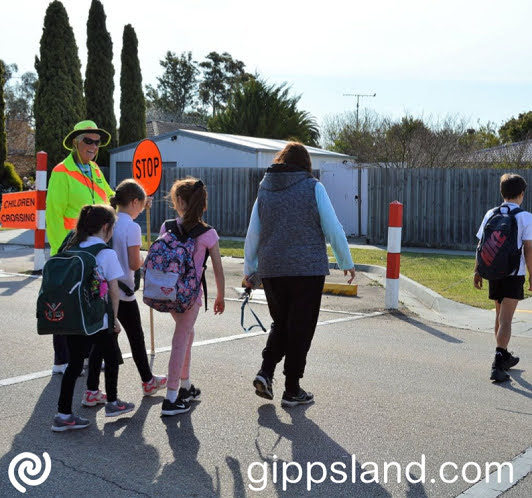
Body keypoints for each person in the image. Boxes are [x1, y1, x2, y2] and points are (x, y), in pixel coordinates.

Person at [244, 142, 356, 407]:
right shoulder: (313, 187)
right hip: (307, 270)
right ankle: (292, 389)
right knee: (300, 330)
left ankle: (266, 371)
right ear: (305, 164)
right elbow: (333, 227)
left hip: (273, 270)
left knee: (281, 325)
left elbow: (253, 232)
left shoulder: (264, 189)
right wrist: (345, 261)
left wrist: (250, 270)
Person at [52, 205, 135, 432]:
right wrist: (115, 319)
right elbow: (114, 291)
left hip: (74, 318)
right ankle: (113, 403)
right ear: (106, 227)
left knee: (75, 365)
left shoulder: (72, 246)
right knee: (112, 359)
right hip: (99, 319)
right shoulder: (106, 253)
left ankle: (63, 414)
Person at [46, 120, 113, 375]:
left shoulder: (95, 169)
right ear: (75, 142)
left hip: (92, 251)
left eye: (97, 142)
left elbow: (109, 197)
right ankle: (61, 360)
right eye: (88, 141)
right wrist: (61, 253)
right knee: (64, 305)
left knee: (88, 302)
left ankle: (84, 356)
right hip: (70, 250)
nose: (93, 146)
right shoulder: (61, 171)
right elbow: (54, 214)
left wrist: (134, 200)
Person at [160, 178, 226, 416]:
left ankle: (185, 386)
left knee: (187, 334)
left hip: (168, 293)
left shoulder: (167, 227)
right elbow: (218, 268)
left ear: (179, 201)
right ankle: (170, 397)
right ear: (203, 204)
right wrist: (220, 296)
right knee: (180, 339)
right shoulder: (208, 234)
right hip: (190, 296)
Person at [101, 178, 167, 396]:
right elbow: (133, 263)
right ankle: (147, 380)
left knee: (104, 341)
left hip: (106, 289)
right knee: (136, 338)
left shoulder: (109, 222)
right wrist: (143, 257)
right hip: (124, 290)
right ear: (136, 202)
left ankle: (92, 388)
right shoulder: (132, 227)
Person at [474, 173, 532, 382]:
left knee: (499, 316)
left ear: (502, 192)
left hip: (493, 272)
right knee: (507, 319)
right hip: (513, 274)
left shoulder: (491, 213)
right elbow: (529, 250)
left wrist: (477, 271)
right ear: (521, 194)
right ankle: (498, 363)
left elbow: (480, 246)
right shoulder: (525, 217)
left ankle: (504, 354)